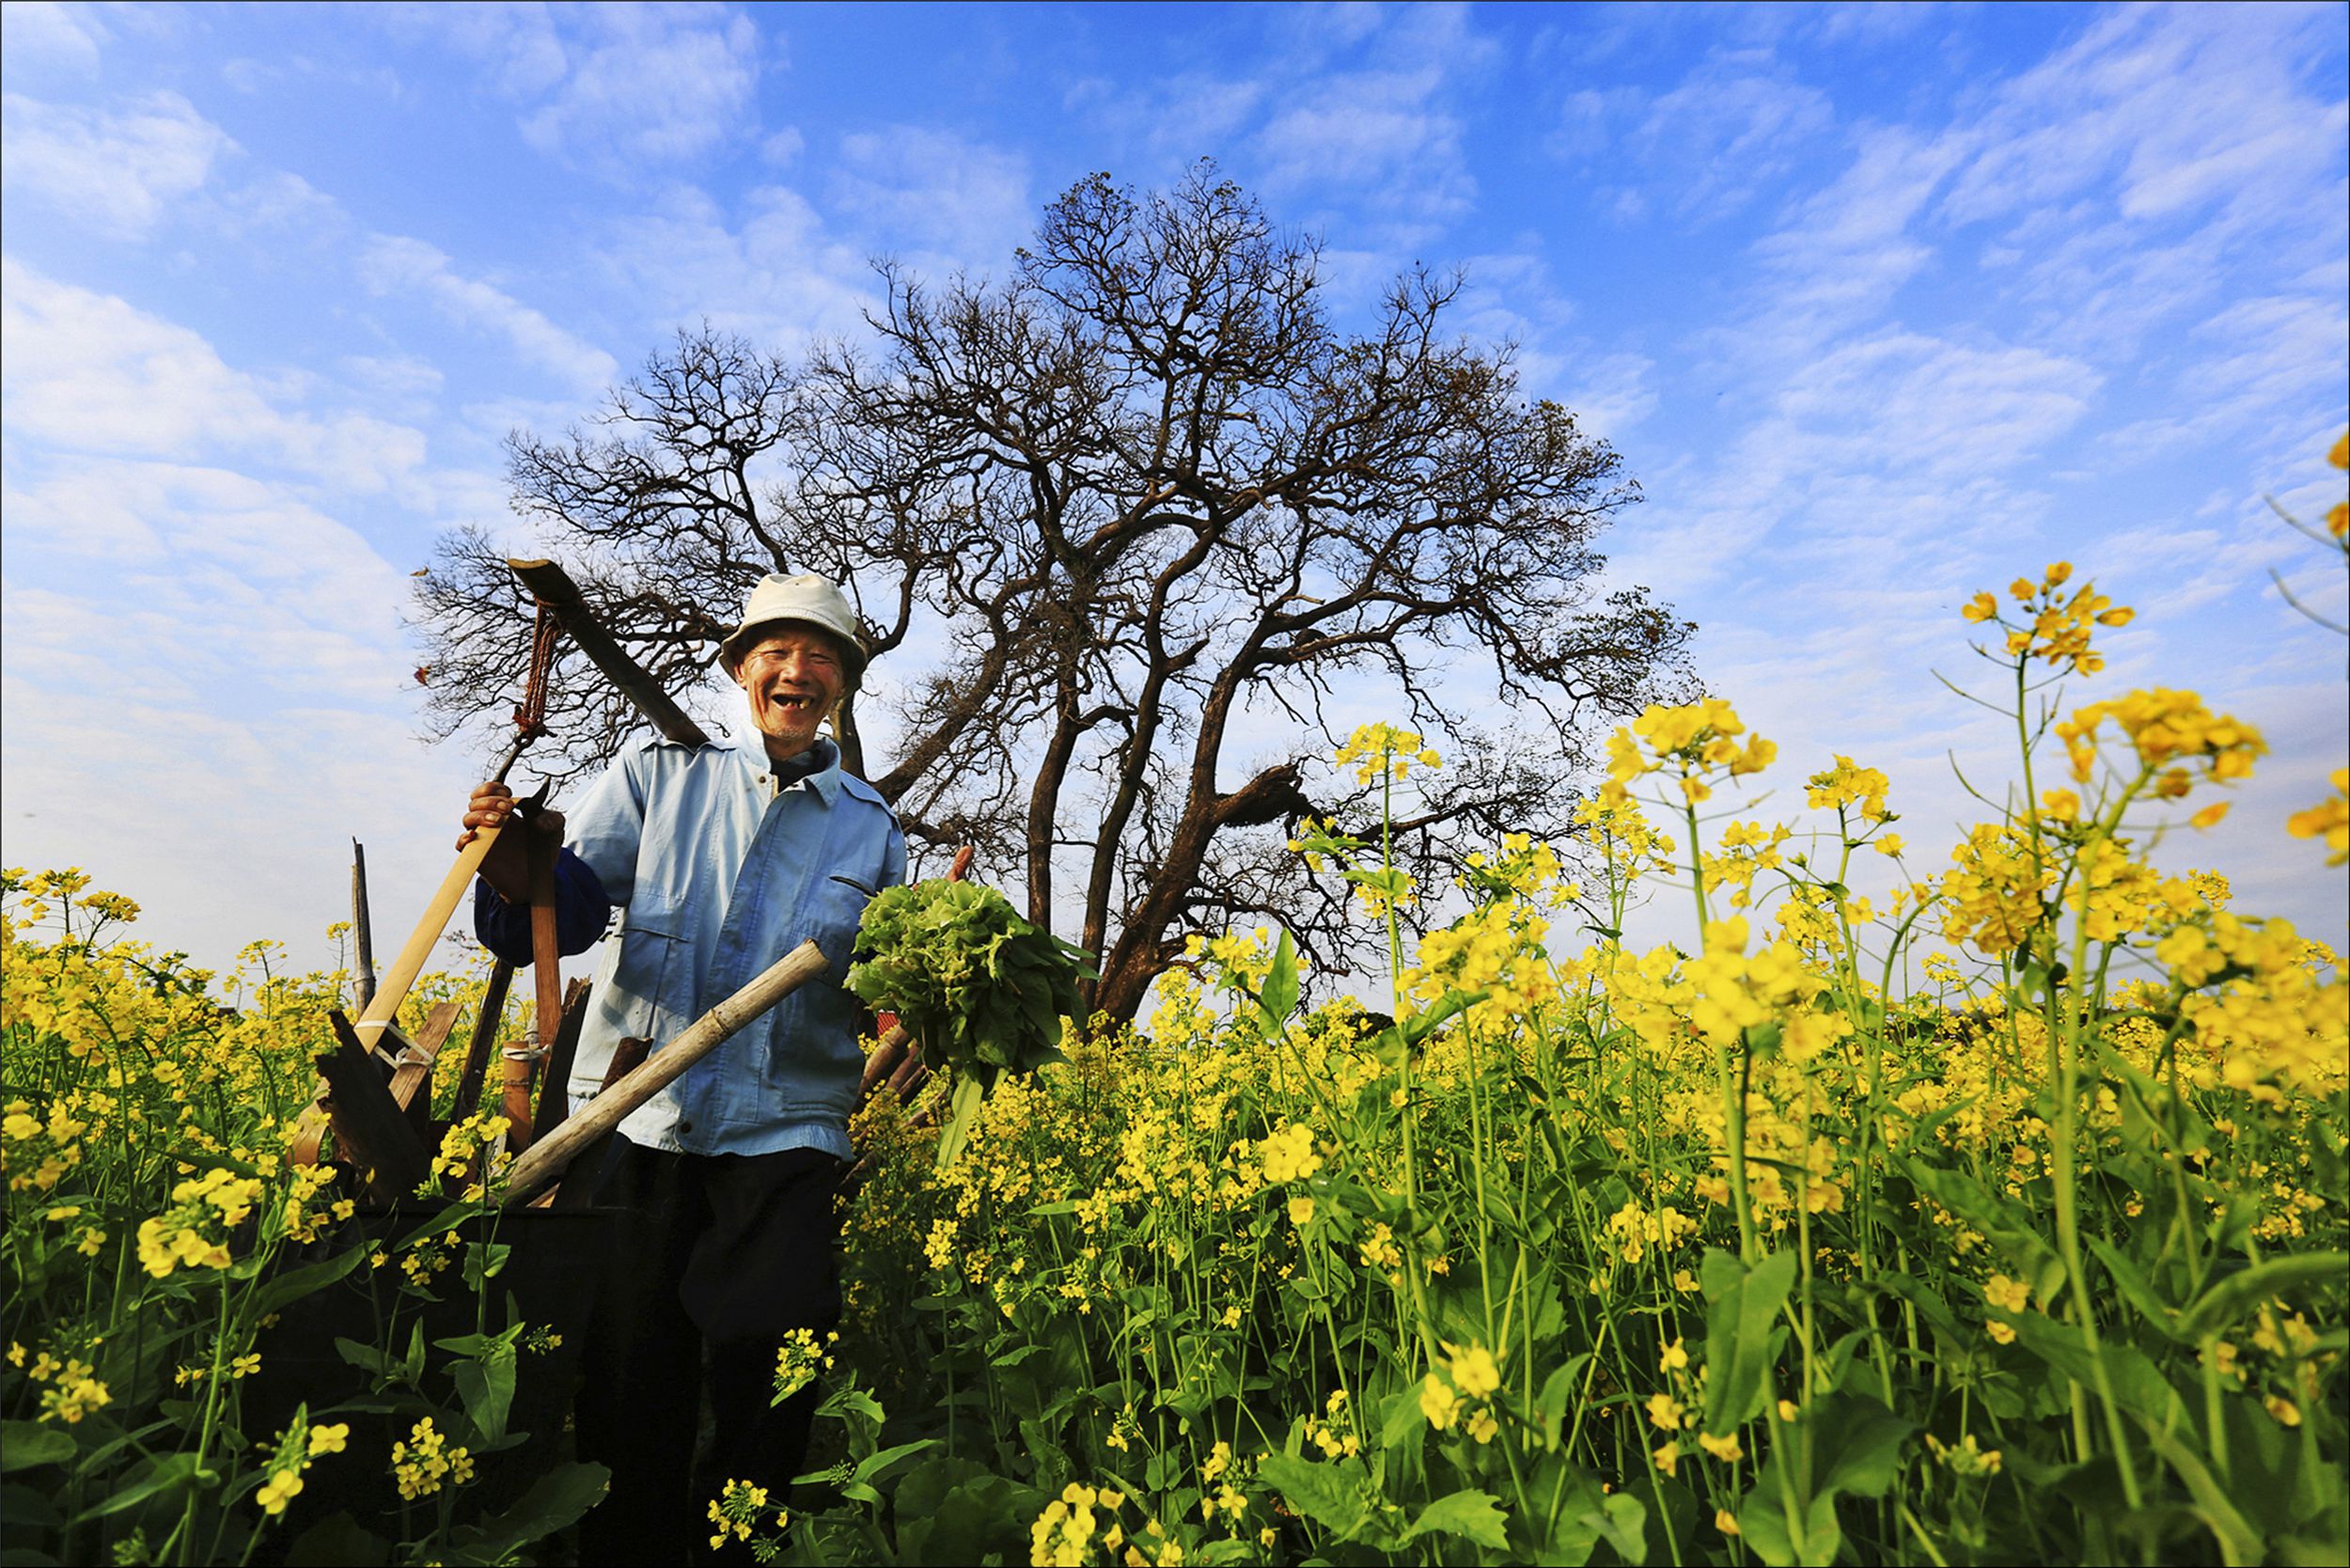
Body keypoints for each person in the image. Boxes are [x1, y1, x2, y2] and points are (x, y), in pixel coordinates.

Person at [457, 572, 904, 1563]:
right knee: (628, 1366)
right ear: (744, 670)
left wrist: (931, 990)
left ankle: (738, 1544)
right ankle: (627, 1547)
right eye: (776, 652)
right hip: (637, 1111)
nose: (798, 670)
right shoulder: (661, 772)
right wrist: (512, 861)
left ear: (842, 685)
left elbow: (888, 978)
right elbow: (563, 917)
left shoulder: (868, 824)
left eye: (822, 655)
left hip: (785, 1120)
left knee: (774, 1346)